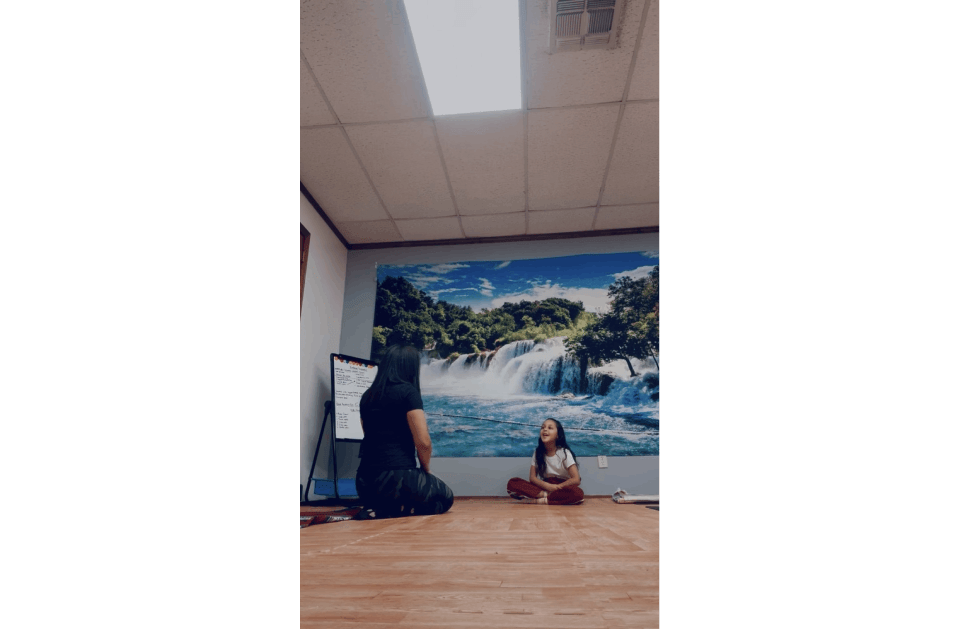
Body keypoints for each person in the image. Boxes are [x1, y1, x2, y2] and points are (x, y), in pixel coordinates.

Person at [355, 345, 454, 519]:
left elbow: (367, 434)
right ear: (411, 367)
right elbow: (423, 442)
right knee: (445, 497)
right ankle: (394, 509)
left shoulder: (367, 396)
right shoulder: (409, 393)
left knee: (405, 492)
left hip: (364, 482)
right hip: (396, 478)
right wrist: (425, 470)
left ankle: (382, 508)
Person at [506, 418, 585, 505]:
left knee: (578, 494)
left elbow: (576, 479)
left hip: (562, 488)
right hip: (544, 486)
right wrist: (548, 487)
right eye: (543, 427)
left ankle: (541, 500)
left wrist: (557, 487)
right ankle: (547, 496)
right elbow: (532, 478)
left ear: (558, 435)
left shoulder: (564, 453)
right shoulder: (538, 452)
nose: (545, 430)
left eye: (550, 428)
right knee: (513, 483)